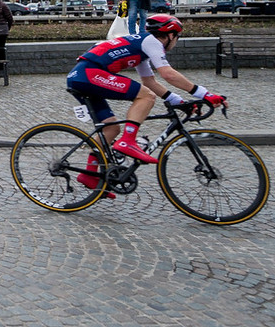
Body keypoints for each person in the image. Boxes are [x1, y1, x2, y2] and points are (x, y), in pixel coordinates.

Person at [66, 14, 225, 194]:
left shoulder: (141, 46)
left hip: (80, 76)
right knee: (146, 97)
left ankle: (89, 174)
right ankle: (128, 141)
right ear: (170, 35)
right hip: (90, 73)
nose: (176, 42)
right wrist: (205, 94)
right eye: (177, 38)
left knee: (110, 128)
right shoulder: (152, 42)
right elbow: (168, 74)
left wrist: (179, 101)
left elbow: (150, 81)